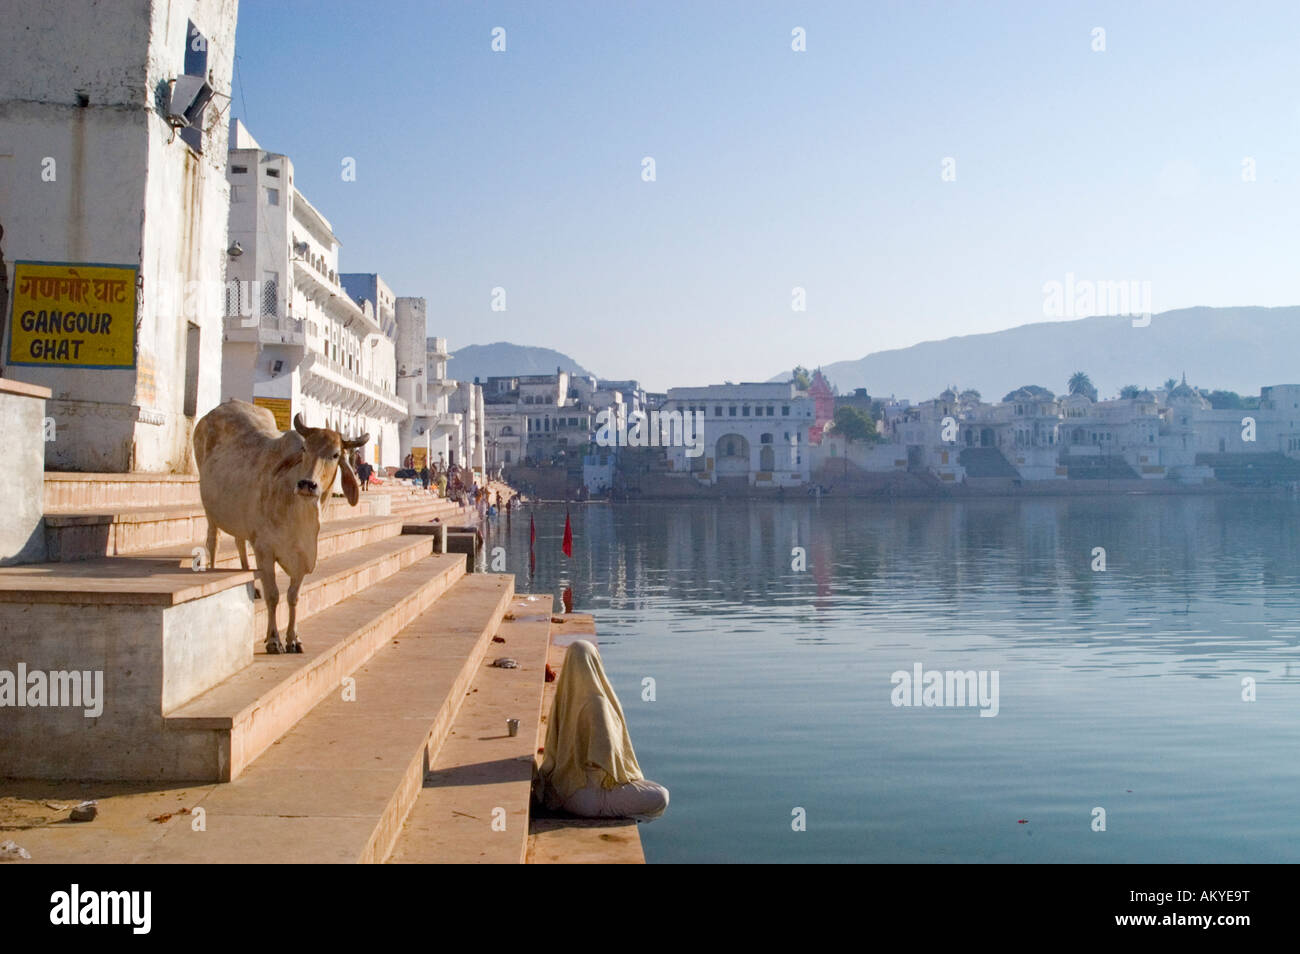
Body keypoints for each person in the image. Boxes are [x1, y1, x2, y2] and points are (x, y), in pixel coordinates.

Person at [536, 640, 669, 821]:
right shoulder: (597, 703)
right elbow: (606, 757)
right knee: (660, 796)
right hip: (589, 798)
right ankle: (618, 812)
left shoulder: (564, 699)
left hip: (562, 791)